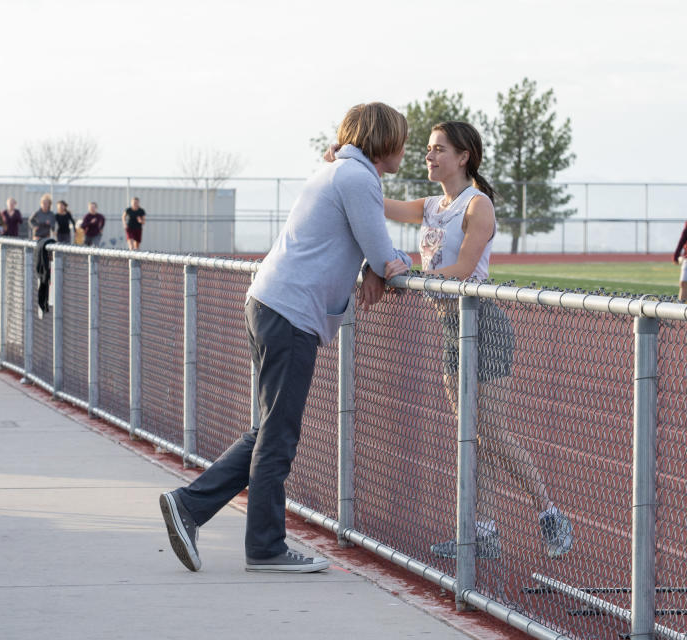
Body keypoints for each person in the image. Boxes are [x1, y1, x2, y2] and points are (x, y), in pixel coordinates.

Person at [159, 102, 412, 574]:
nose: (406, 148)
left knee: (267, 430)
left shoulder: (339, 171)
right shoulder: (358, 179)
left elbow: (357, 246)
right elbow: (385, 255)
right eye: (401, 138)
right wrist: (390, 264)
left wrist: (371, 264)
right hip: (290, 314)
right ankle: (265, 548)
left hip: (272, 304)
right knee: (278, 435)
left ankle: (189, 506)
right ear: (383, 140)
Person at [336, 122, 575, 559]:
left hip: (483, 323)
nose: (428, 156)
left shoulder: (476, 205)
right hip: (451, 327)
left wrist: (410, 276)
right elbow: (378, 204)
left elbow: (464, 271)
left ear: (463, 157)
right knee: (472, 434)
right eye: (427, 149)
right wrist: (340, 169)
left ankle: (550, 514)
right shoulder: (431, 205)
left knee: (493, 432)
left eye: (438, 149)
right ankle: (482, 531)